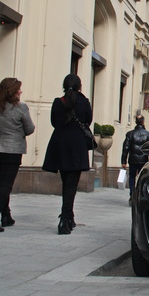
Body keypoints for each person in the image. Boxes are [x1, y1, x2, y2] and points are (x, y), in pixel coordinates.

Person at [42, 74, 93, 235]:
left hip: (60, 144)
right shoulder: (84, 102)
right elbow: (88, 121)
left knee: (66, 182)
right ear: (80, 86)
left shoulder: (59, 102)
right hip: (77, 145)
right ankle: (65, 219)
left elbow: (54, 123)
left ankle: (68, 216)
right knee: (71, 184)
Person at [0, 78, 35, 232]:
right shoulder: (20, 108)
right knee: (5, 186)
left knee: (2, 184)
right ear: (12, 91)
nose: (21, 91)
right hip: (12, 151)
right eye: (19, 89)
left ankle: (6, 216)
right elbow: (30, 128)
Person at [121, 115, 149, 202]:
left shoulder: (130, 134)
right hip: (143, 160)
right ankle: (140, 194)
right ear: (143, 122)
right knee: (142, 177)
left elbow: (125, 148)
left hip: (133, 159)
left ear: (136, 122)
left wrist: (123, 161)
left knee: (132, 177)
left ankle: (132, 194)